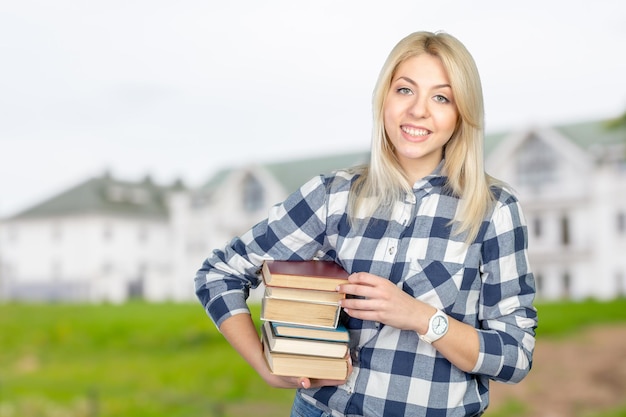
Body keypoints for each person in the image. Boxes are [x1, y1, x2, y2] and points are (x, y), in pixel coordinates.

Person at [195, 30, 537, 417]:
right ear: (384, 98)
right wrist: (264, 364)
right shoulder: (333, 196)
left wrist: (421, 317)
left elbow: (515, 355)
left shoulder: (493, 210)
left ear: (462, 115)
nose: (418, 110)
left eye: (441, 97)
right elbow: (218, 273)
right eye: (405, 90)